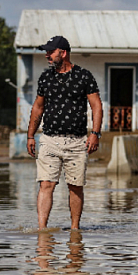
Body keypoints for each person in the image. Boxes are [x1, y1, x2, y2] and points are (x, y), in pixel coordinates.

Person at [27, 35, 103, 230]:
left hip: (77, 142)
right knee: (46, 184)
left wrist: (95, 133)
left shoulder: (84, 76)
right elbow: (38, 107)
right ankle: (42, 229)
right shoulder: (46, 77)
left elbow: (96, 106)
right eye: (46, 52)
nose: (47, 56)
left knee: (75, 187)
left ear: (63, 52)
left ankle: (75, 230)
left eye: (50, 52)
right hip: (49, 139)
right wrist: (30, 135)